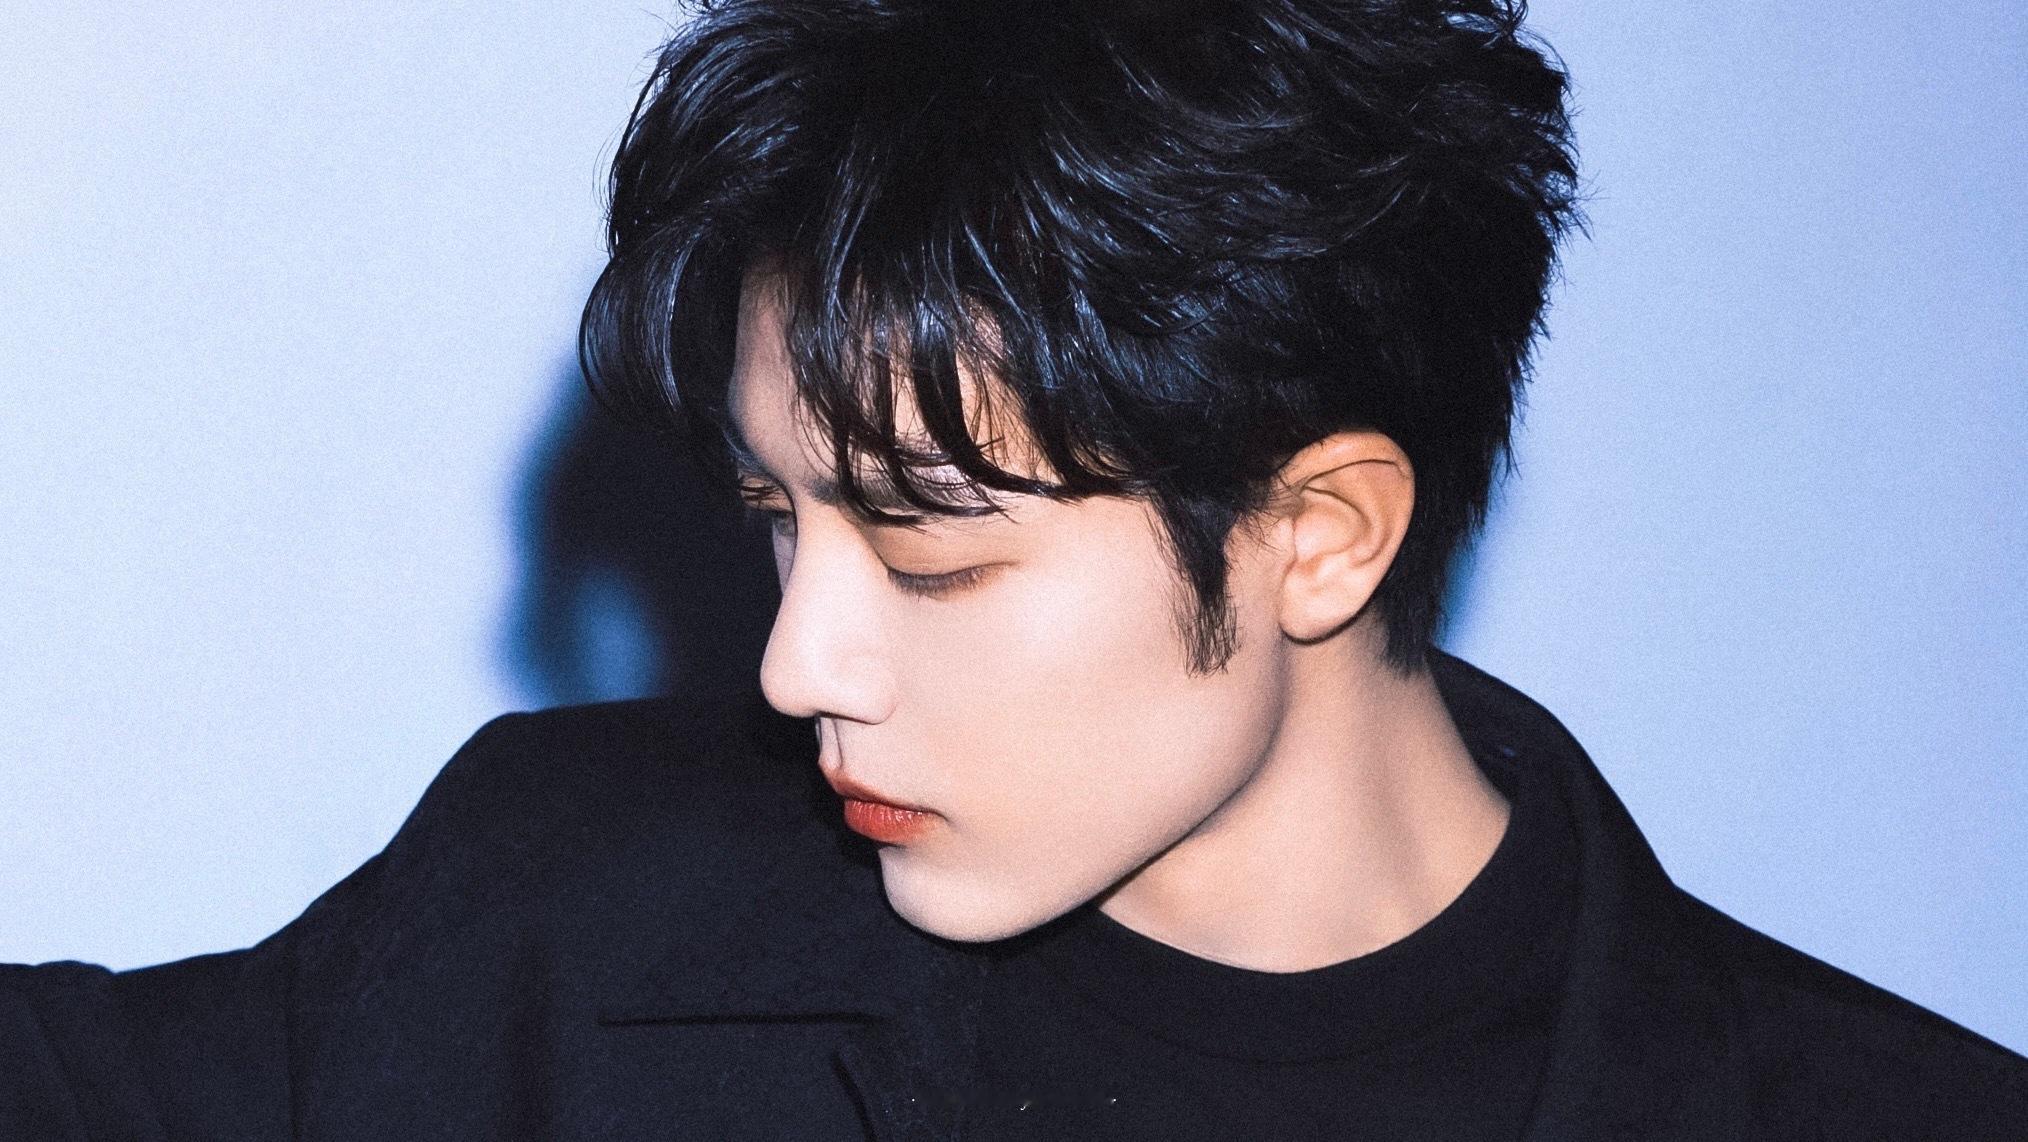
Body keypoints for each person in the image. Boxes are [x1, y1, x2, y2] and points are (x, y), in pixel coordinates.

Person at [4, 0, 2023, 1138]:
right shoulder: (564, 914)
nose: (799, 661)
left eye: (928, 548)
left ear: (1320, 533)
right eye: (777, 513)